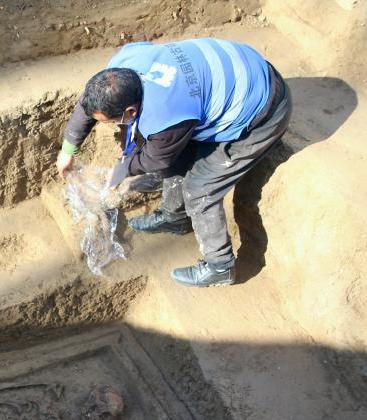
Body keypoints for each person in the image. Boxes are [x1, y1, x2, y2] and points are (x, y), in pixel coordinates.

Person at [56, 38, 292, 287]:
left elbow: (156, 157)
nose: (111, 125)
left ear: (131, 112)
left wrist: (123, 170)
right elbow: (88, 105)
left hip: (262, 109)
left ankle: (220, 266)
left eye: (112, 121)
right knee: (173, 156)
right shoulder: (121, 67)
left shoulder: (166, 113)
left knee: (200, 188)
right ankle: (176, 218)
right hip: (235, 74)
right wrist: (68, 150)